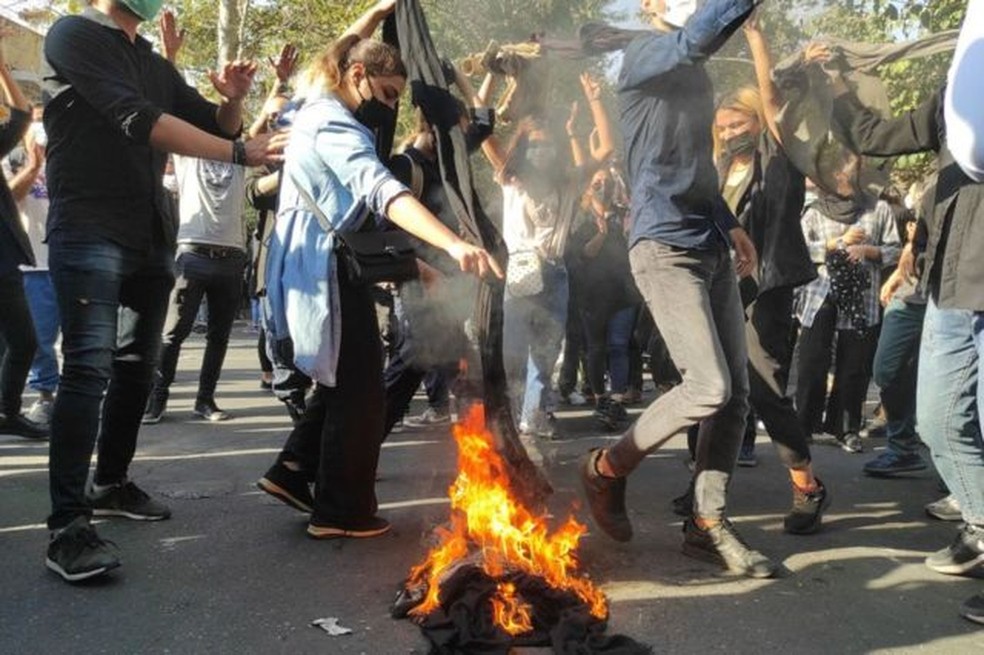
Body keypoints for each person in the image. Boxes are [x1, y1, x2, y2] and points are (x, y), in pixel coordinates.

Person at [41, 0, 284, 582]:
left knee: (136, 366)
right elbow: (139, 120)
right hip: (89, 226)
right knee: (87, 370)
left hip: (149, 233)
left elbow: (213, 124)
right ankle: (67, 528)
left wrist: (231, 100)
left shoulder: (151, 60)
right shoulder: (74, 35)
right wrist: (239, 152)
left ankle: (111, 483)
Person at [256, 0, 501, 540]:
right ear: (360, 77)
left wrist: (375, 12)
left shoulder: (317, 103)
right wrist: (452, 244)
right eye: (388, 94)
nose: (390, 107)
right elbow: (380, 191)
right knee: (363, 390)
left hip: (324, 261)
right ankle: (340, 513)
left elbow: (337, 52)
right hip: (326, 268)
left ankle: (294, 472)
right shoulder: (333, 122)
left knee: (347, 379)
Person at [578, 0, 777, 580]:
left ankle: (705, 523)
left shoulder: (692, 68)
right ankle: (606, 468)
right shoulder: (645, 54)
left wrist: (732, 225)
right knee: (708, 385)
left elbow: (695, 168)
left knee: (736, 395)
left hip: (710, 244)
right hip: (663, 244)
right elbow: (697, 36)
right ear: (651, 5)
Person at [829, 0, 984, 623]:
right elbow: (876, 137)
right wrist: (838, 85)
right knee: (941, 421)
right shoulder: (958, 95)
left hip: (968, 278)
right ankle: (976, 520)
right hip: (955, 278)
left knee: (952, 420)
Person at [480, 71, 614, 440]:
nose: (542, 151)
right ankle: (506, 416)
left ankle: (534, 418)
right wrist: (489, 77)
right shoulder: (511, 179)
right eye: (534, 145)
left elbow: (605, 150)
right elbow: (479, 127)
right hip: (519, 272)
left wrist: (594, 99)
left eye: (547, 144)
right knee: (513, 353)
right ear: (523, 148)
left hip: (555, 273)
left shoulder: (569, 183)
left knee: (547, 351)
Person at [0, 28, 47, 440]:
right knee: (21, 340)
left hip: (5, 262)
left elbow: (19, 114)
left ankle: (7, 412)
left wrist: (1, 67)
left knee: (21, 341)